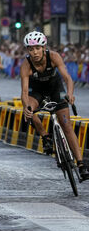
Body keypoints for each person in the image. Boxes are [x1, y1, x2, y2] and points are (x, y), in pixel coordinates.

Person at [21, 31, 88, 181]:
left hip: (55, 88)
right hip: (36, 90)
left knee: (67, 125)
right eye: (31, 49)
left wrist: (70, 94)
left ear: (44, 47)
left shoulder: (54, 56)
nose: (35, 52)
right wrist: (26, 107)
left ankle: (81, 164)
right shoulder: (26, 65)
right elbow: (24, 92)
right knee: (29, 110)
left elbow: (68, 78)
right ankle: (45, 136)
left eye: (37, 48)